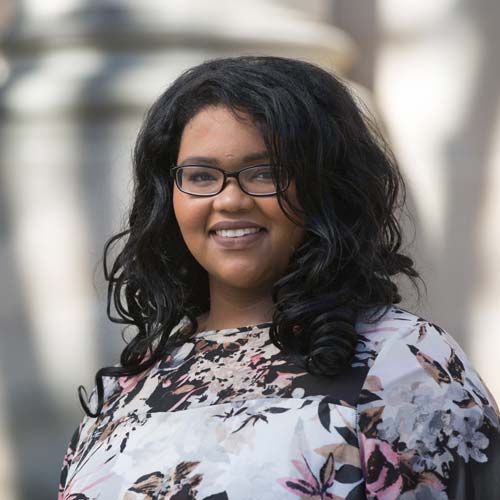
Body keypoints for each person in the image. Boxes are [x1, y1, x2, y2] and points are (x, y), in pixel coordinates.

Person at [58, 56, 500, 500]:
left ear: (325, 186)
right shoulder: (133, 384)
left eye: (265, 172)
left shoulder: (403, 363)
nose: (229, 199)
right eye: (200, 176)